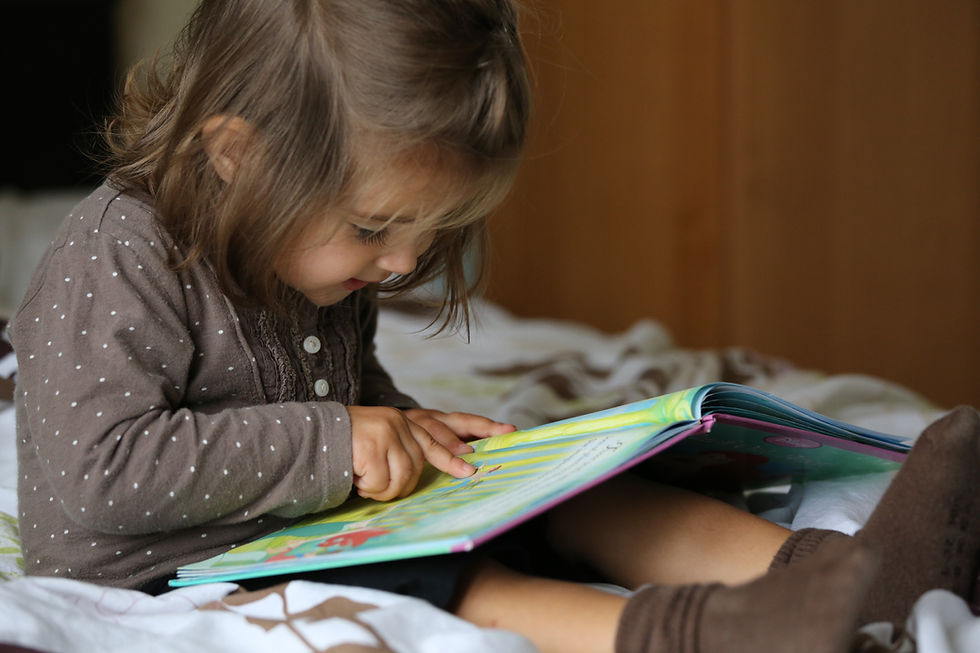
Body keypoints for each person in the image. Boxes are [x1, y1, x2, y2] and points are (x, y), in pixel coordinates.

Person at [9, 2, 978, 652]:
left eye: (430, 232)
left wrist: (406, 427)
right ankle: (709, 633)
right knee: (452, 580)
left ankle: (849, 573)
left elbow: (336, 400)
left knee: (577, 491)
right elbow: (99, 472)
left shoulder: (299, 242)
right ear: (235, 155)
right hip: (172, 567)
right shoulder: (118, 253)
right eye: (375, 227)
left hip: (310, 518)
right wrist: (340, 439)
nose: (397, 263)